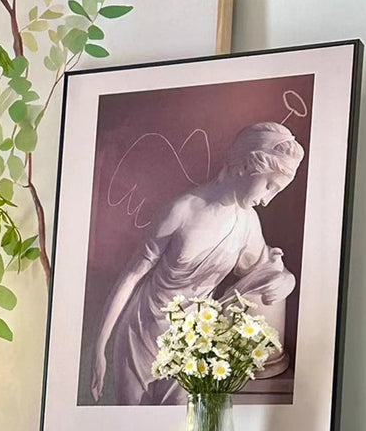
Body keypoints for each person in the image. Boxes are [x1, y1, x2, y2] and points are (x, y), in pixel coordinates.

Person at [89, 121, 304, 405]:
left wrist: (288, 279)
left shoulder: (247, 224)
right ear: (244, 166)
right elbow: (131, 276)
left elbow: (265, 269)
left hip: (192, 344)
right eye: (269, 186)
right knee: (132, 430)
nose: (267, 200)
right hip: (141, 334)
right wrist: (99, 347)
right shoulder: (182, 210)